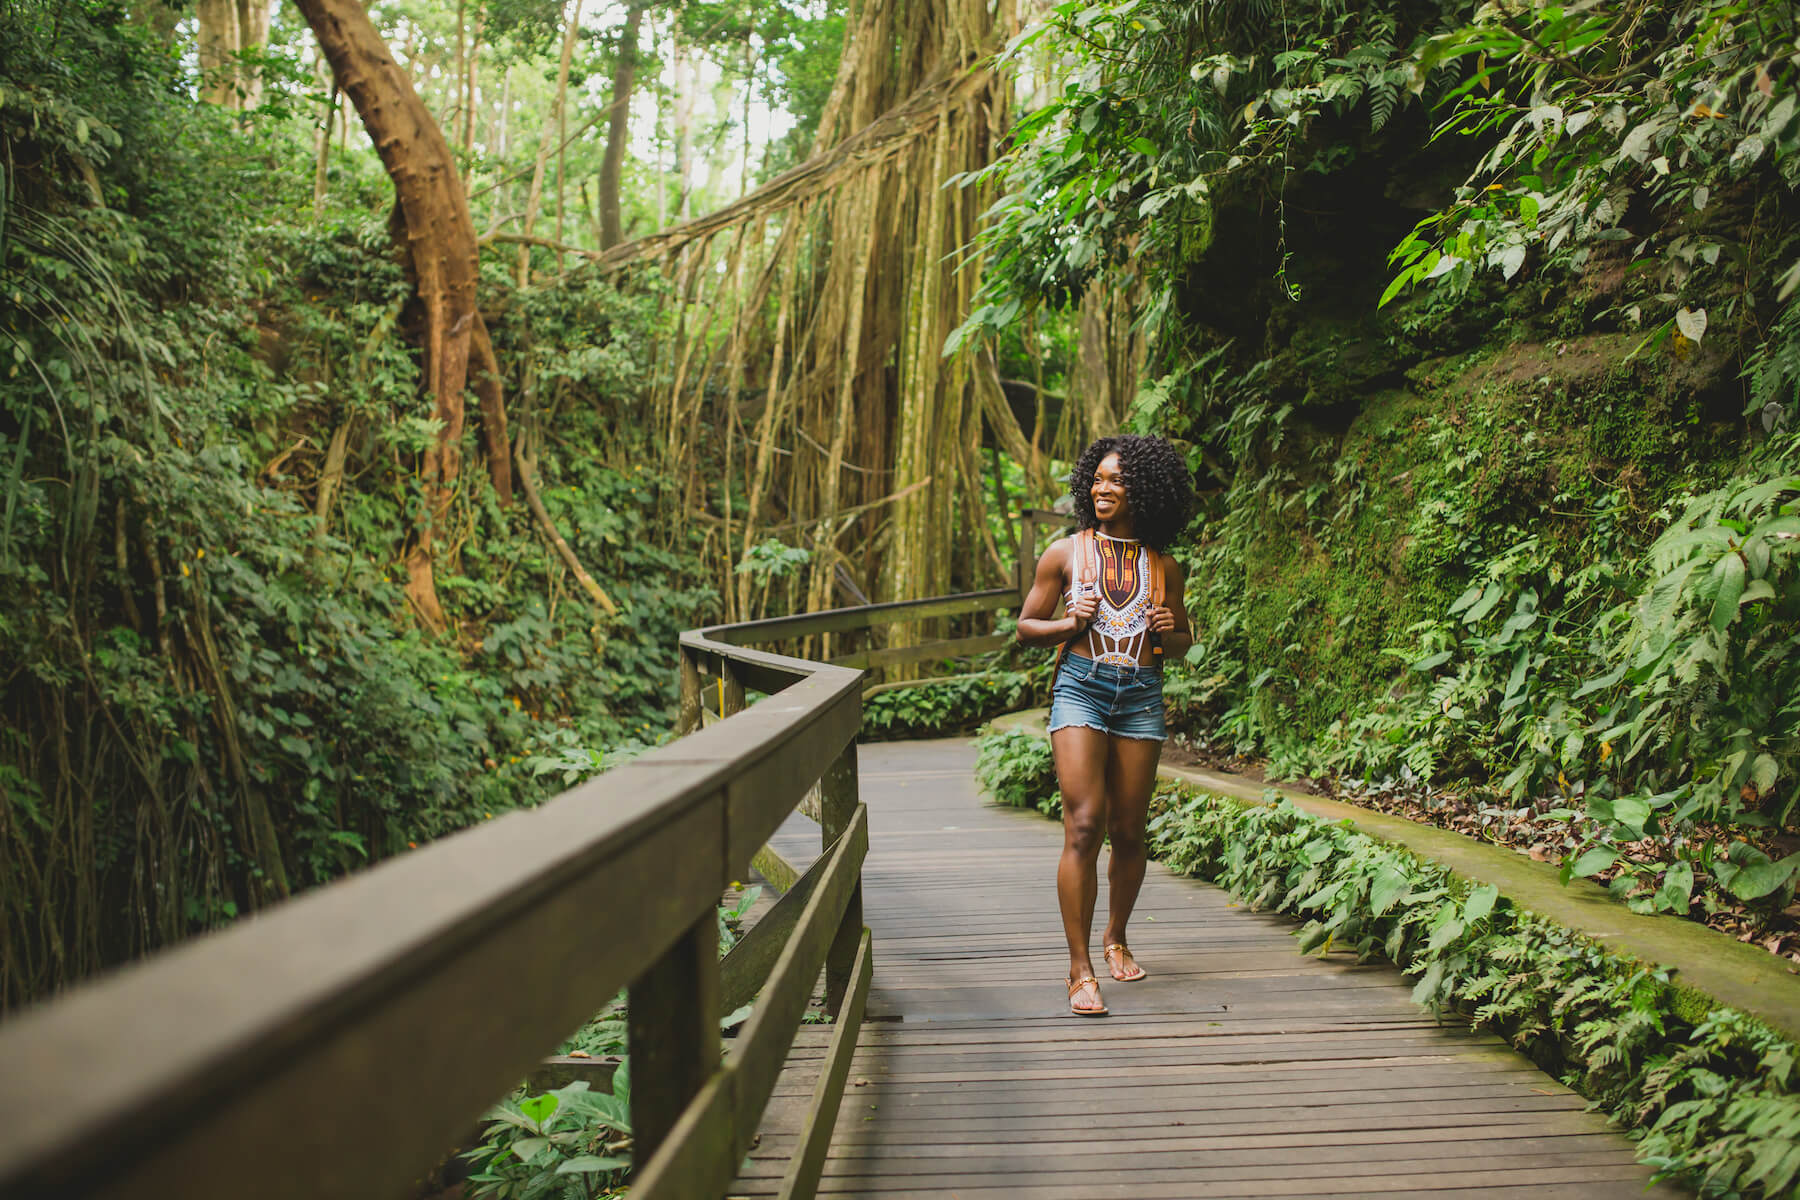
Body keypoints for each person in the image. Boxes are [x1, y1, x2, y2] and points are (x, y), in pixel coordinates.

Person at [1016, 435, 1195, 1016]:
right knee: (1085, 823)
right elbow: (1025, 627)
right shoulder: (1064, 554)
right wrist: (1070, 622)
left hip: (1140, 694)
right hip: (1081, 688)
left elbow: (1183, 644)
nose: (1102, 489)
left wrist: (1170, 630)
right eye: (1097, 479)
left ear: (1144, 490)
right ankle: (1079, 969)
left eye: (1116, 481)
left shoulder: (1165, 565)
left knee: (1130, 829)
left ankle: (1115, 937)